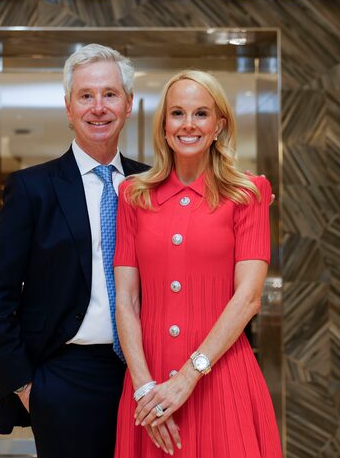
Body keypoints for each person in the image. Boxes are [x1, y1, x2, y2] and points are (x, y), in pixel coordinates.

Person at [0, 44, 149, 458]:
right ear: (69, 108)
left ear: (129, 105)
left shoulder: (151, 185)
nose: (98, 107)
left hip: (147, 373)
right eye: (85, 96)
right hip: (66, 378)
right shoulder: (33, 189)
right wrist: (26, 385)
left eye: (109, 94)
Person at [113, 70, 282, 457]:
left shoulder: (248, 193)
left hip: (221, 379)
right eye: (177, 113)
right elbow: (126, 300)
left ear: (219, 125)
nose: (188, 125)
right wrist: (145, 389)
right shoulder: (133, 195)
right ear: (164, 125)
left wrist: (187, 378)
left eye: (201, 114)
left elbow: (249, 298)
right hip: (147, 382)